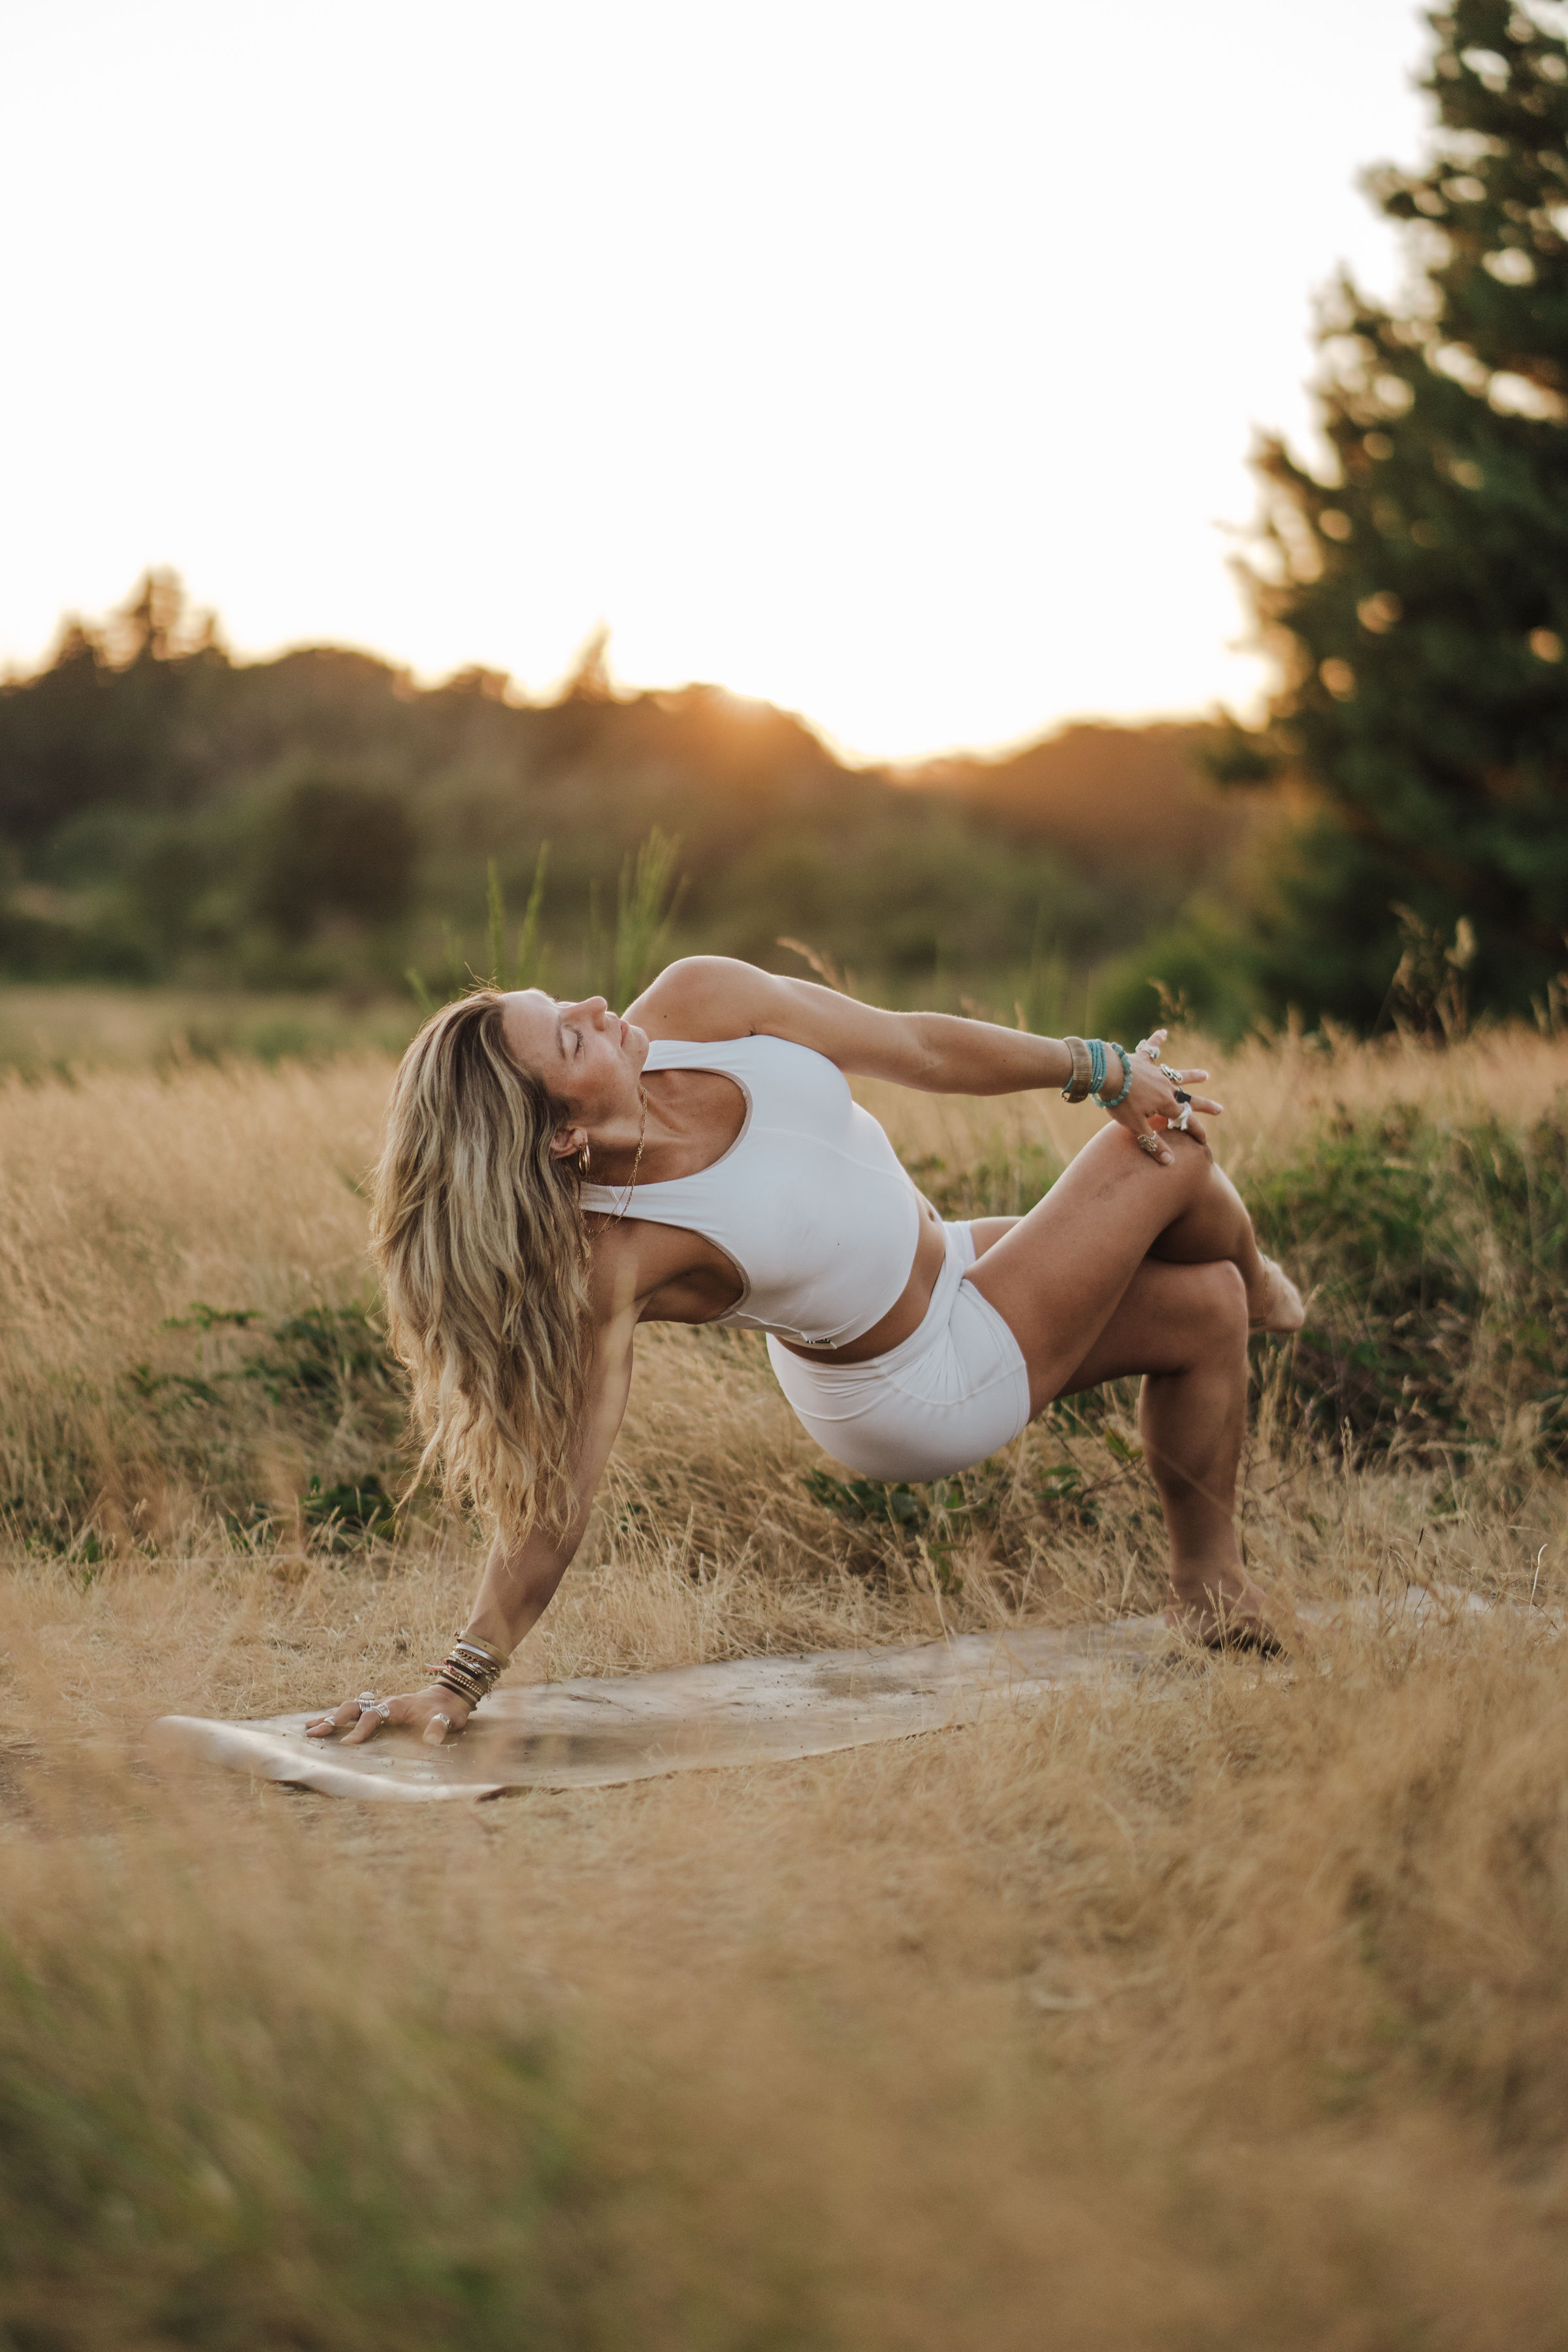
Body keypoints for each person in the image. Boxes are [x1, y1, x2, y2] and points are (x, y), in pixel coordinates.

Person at [307, 959, 1303, 1748]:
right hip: (913, 1382)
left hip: (953, 1261)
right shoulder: (614, 1257)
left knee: (1202, 1312)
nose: (596, 1007)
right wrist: (460, 1681)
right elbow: (556, 1496)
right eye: (570, 1036)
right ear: (564, 1137)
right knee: (1166, 1146)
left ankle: (1209, 1585)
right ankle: (1263, 1288)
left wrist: (1094, 1064)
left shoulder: (701, 1001)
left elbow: (916, 1045)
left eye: (563, 1001)